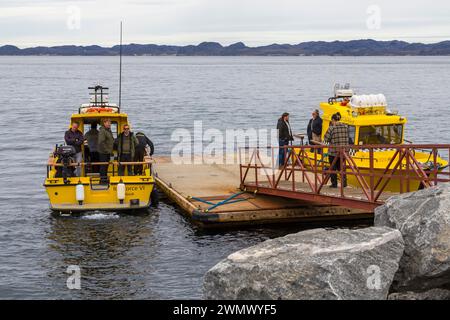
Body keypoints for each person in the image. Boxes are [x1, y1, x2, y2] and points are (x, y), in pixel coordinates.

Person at [323, 112, 349, 188]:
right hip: (343, 152)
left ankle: (334, 184)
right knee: (342, 168)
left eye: (331, 121)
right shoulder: (346, 127)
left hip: (333, 152)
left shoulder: (331, 128)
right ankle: (344, 183)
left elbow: (326, 139)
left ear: (333, 120)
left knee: (333, 168)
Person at [97, 118, 114, 182]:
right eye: (108, 122)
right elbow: (101, 142)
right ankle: (102, 180)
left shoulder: (108, 130)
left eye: (110, 122)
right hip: (103, 152)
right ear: (104, 123)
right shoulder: (103, 131)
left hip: (107, 152)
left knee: (106, 166)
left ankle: (104, 178)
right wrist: (107, 150)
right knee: (103, 166)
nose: (109, 124)